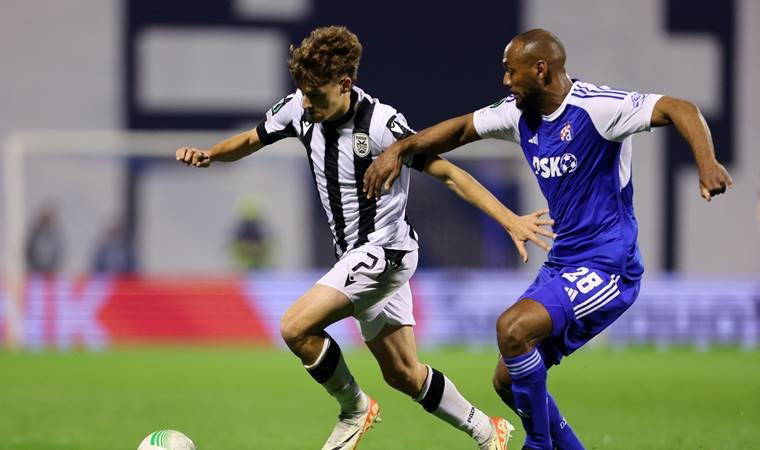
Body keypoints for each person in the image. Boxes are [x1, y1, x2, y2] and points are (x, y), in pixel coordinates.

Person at [175, 26, 556, 450]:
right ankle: (487, 430)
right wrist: (211, 154)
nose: (307, 103)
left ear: (345, 84)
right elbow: (251, 138)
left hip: (384, 252)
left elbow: (448, 173)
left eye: (316, 95)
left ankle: (354, 408)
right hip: (355, 255)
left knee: (295, 327)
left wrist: (508, 220)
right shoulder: (299, 107)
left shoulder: (380, 124)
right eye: (303, 93)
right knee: (404, 374)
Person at [362, 28, 733, 450]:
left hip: (609, 266)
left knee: (513, 329)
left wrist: (707, 163)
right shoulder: (517, 114)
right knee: (508, 380)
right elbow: (462, 129)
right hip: (563, 263)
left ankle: (537, 445)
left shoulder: (598, 108)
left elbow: (679, 107)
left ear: (541, 70)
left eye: (511, 71)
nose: (505, 80)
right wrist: (400, 148)